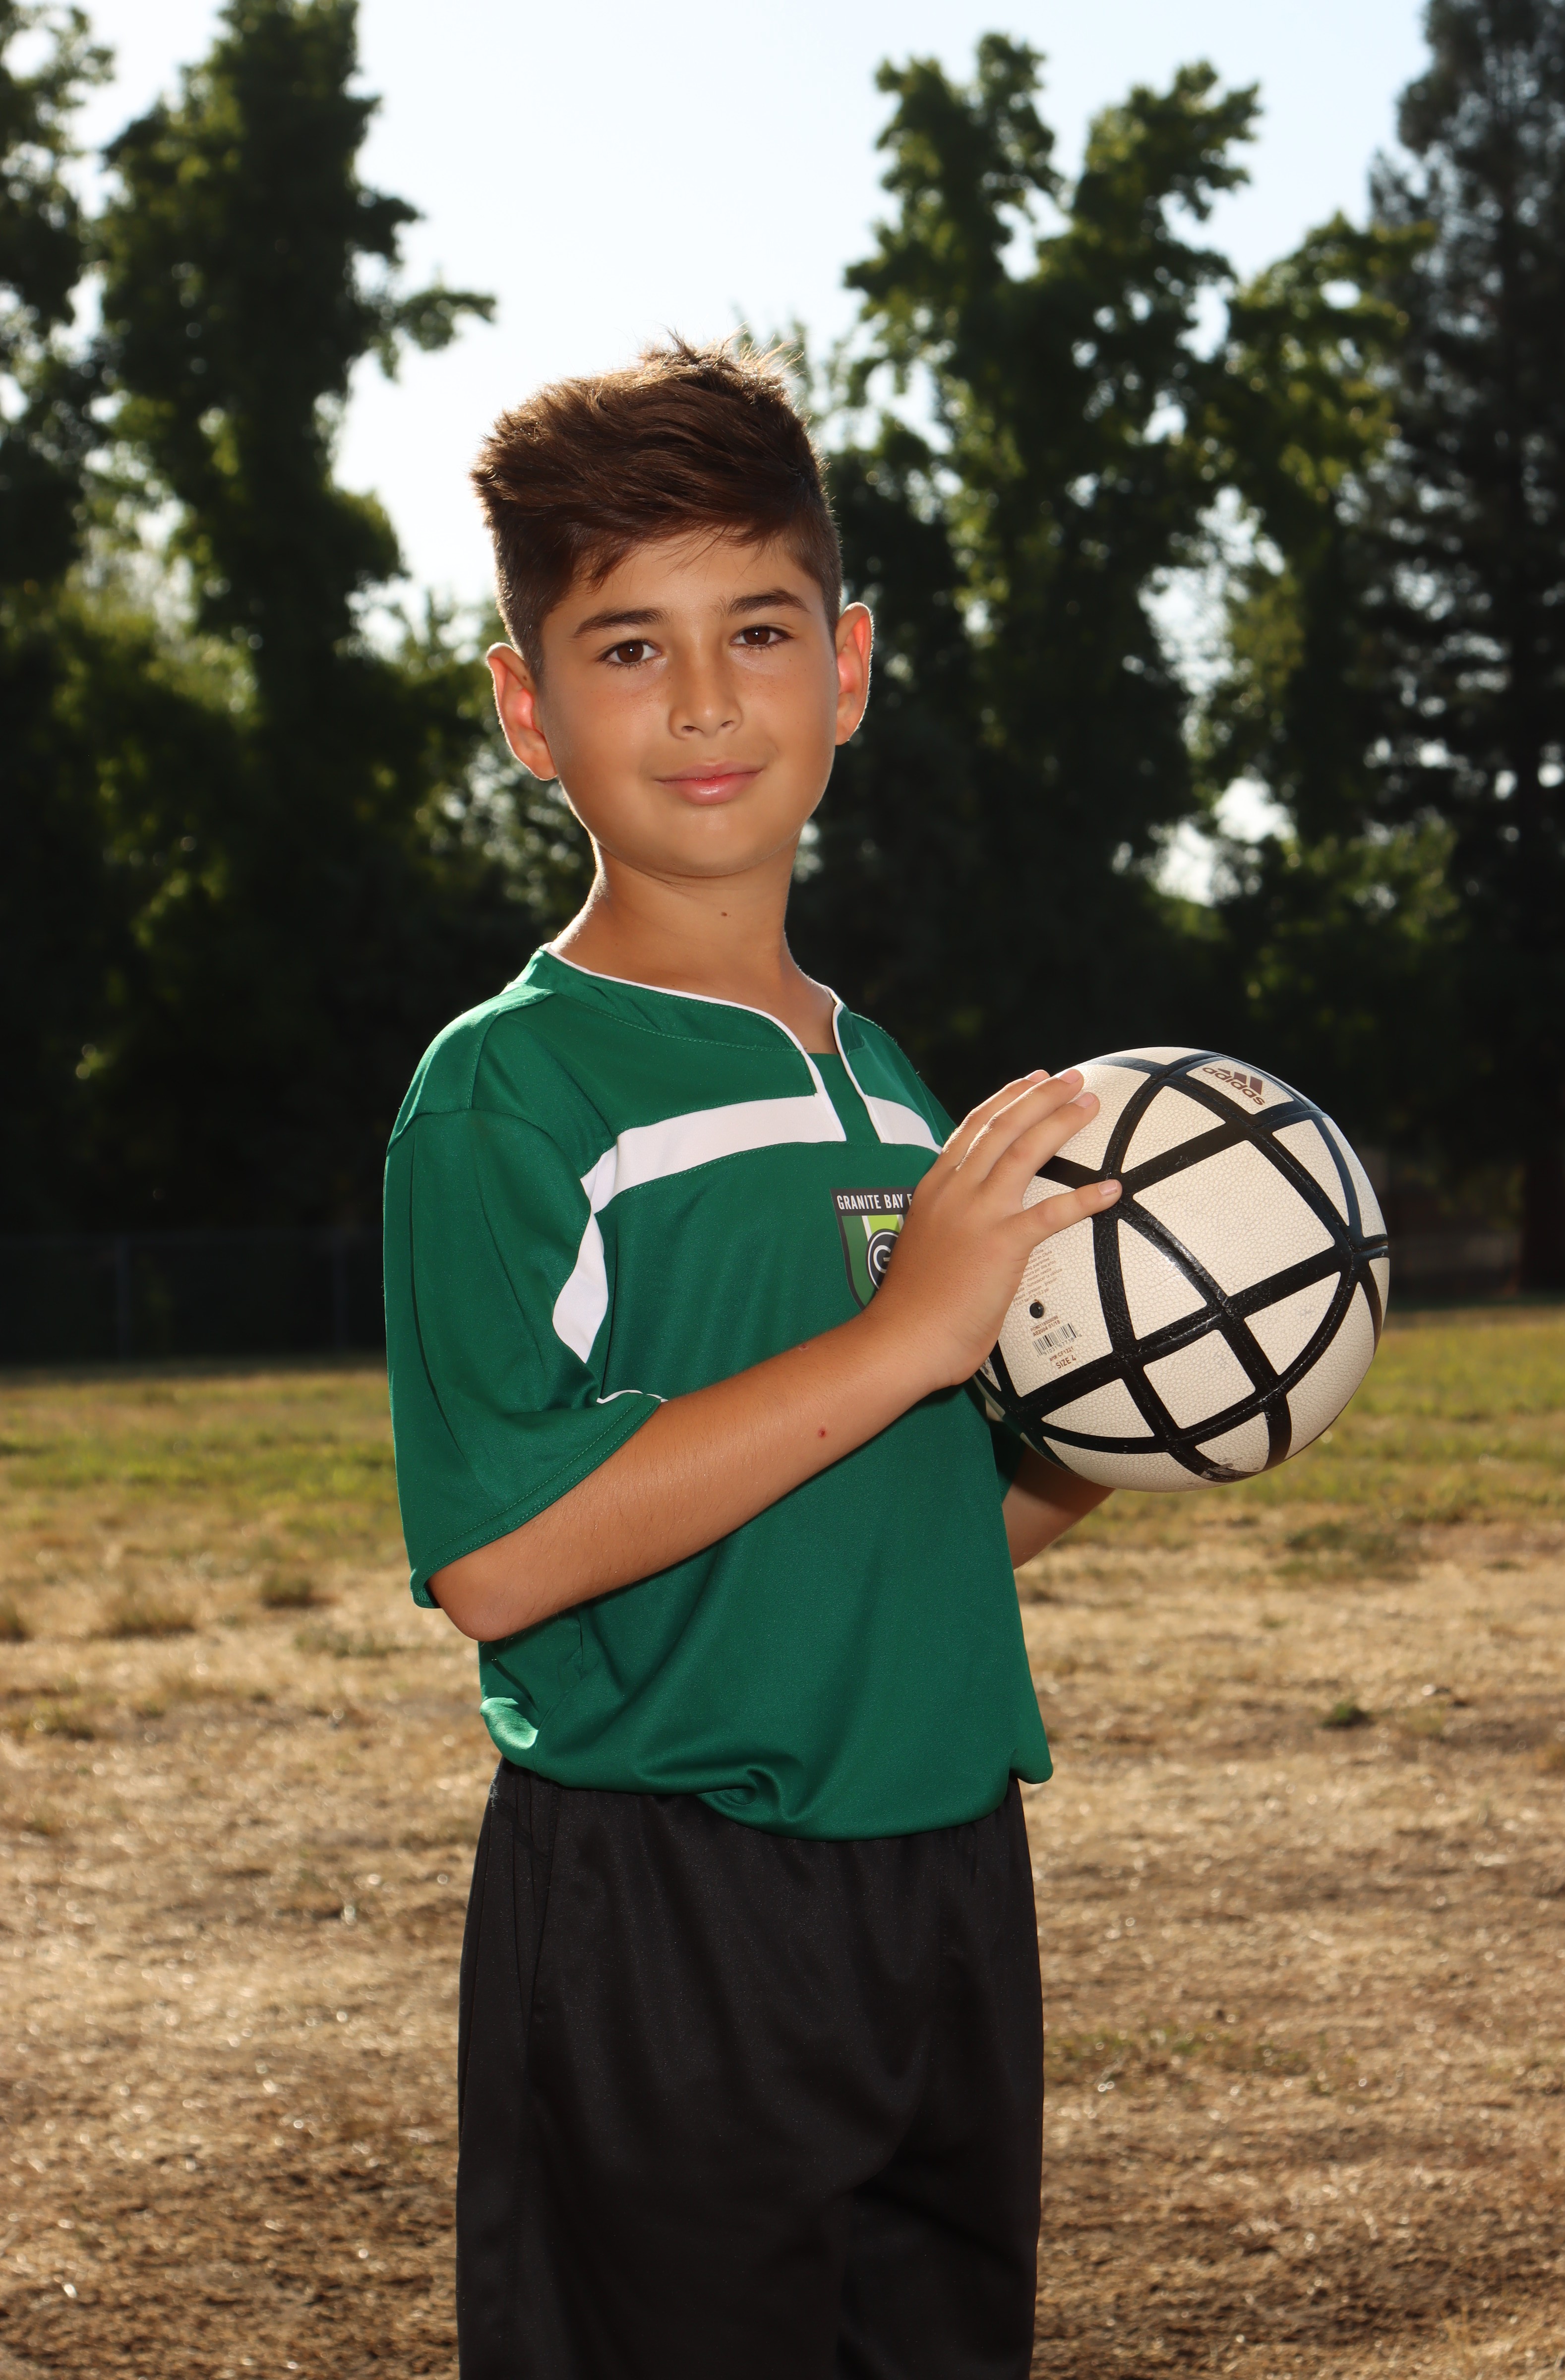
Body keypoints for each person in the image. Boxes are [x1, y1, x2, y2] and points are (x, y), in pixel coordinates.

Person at [382, 338, 1121, 2380]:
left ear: (849, 668)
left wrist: (1102, 1440)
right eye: (628, 648)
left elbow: (885, 1514)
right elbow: (501, 1559)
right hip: (669, 1898)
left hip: (943, 1874)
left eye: (760, 630)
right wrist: (903, 1337)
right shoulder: (511, 1091)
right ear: (527, 711)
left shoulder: (885, 1082)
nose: (705, 700)